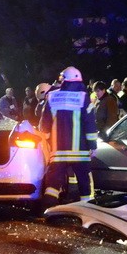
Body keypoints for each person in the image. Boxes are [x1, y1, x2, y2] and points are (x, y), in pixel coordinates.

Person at [40, 66, 97, 207]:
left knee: (53, 182)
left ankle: (48, 209)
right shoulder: (84, 98)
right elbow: (90, 125)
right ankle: (87, 210)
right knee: (84, 182)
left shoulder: (52, 96)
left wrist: (47, 140)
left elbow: (44, 125)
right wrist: (93, 146)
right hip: (80, 151)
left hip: (58, 151)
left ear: (63, 80)